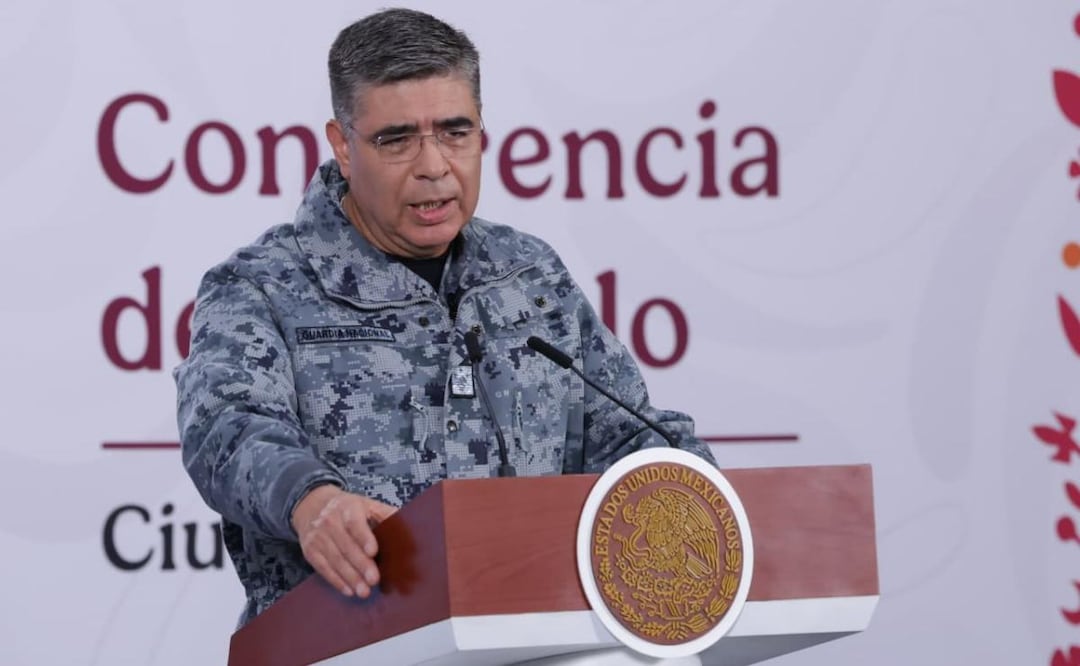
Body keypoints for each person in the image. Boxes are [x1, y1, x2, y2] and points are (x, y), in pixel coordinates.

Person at [174, 7, 717, 627]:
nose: (433, 165)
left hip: (535, 638)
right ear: (342, 146)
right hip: (348, 643)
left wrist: (688, 485)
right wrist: (310, 499)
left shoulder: (530, 275)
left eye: (455, 132)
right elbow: (227, 427)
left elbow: (625, 434)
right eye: (397, 139)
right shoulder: (260, 286)